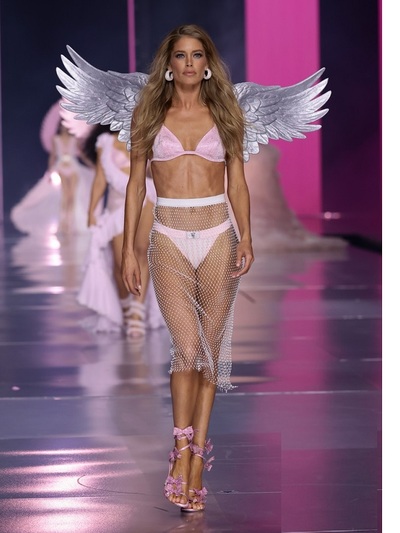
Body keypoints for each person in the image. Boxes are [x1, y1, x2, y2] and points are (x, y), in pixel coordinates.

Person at [121, 24, 254, 512]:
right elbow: (136, 185)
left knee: (210, 356)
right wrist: (128, 250)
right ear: (169, 65)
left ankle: (197, 460)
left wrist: (248, 235)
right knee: (188, 349)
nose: (190, 64)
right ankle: (179, 450)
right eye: (181, 55)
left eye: (198, 55)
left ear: (208, 64)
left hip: (219, 234)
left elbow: (236, 182)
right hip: (168, 237)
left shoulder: (226, 112)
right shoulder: (148, 114)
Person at [77, 124, 164, 337]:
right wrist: (91, 210)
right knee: (120, 261)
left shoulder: (147, 136)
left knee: (142, 253)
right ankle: (125, 307)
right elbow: (100, 178)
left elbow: (158, 171)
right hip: (118, 205)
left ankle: (137, 313)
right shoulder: (105, 142)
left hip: (146, 198)